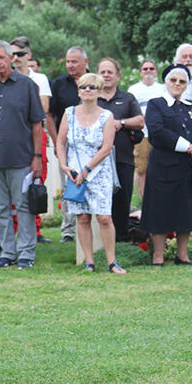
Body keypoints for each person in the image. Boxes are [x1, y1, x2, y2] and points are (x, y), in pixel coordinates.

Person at [0, 40, 44, 269]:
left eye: (2, 58)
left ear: (11, 58)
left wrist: (37, 157)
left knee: (23, 206)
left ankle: (26, 253)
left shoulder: (27, 86)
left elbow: (36, 125)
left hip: (21, 158)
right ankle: (7, 252)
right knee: (0, 208)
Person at [56, 73, 125, 273]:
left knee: (104, 217)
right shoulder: (69, 113)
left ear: (99, 91)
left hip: (99, 172)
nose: (87, 90)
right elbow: (61, 141)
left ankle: (112, 261)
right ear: (78, 91)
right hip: (75, 173)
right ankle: (89, 262)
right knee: (82, 217)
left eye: (92, 87)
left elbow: (106, 147)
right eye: (84, 87)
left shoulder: (106, 116)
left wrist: (88, 169)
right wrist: (63, 164)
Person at [141, 64, 192, 266]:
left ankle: (183, 254)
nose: (177, 84)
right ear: (166, 81)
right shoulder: (156, 104)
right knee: (160, 209)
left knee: (186, 209)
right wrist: (189, 146)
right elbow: (157, 131)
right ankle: (159, 255)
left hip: (187, 166)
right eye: (173, 80)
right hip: (163, 164)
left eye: (182, 81)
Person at [10, 35, 53, 244]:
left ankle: (35, 230)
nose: (16, 58)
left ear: (29, 55)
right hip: (14, 136)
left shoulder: (39, 79)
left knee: (36, 179)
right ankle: (16, 229)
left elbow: (42, 109)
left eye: (20, 54)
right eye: (13, 54)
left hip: (35, 134)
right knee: (13, 183)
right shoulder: (3, 77)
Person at [97, 58, 143, 242]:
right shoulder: (91, 97)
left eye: (110, 72)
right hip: (97, 160)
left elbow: (140, 121)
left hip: (123, 158)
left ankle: (122, 240)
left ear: (118, 76)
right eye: (103, 72)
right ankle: (100, 243)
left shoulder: (128, 98)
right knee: (101, 202)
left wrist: (121, 123)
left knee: (122, 201)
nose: (106, 75)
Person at [49, 46, 88, 243]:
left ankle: (94, 226)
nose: (70, 65)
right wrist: (57, 144)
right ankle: (68, 230)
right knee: (68, 188)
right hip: (67, 145)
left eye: (74, 61)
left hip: (92, 145)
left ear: (85, 63)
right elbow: (51, 115)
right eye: (67, 61)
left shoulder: (95, 82)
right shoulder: (59, 84)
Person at [127, 58, 164, 195]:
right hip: (141, 134)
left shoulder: (162, 88)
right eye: (145, 69)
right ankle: (142, 200)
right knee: (142, 168)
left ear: (156, 72)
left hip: (159, 133)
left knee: (159, 168)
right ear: (141, 72)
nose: (148, 71)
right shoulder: (133, 89)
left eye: (151, 69)